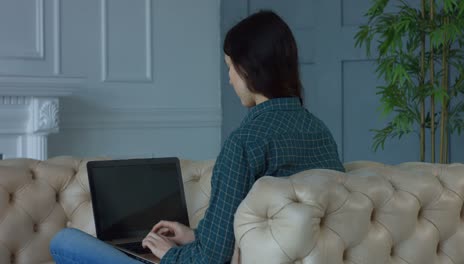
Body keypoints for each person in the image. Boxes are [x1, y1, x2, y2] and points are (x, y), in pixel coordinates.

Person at [50, 10, 344, 264]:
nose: (229, 79)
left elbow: (210, 259)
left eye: (230, 68)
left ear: (249, 69)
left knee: (64, 242)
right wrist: (193, 236)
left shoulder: (246, 142)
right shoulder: (320, 132)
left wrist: (168, 254)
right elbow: (250, 234)